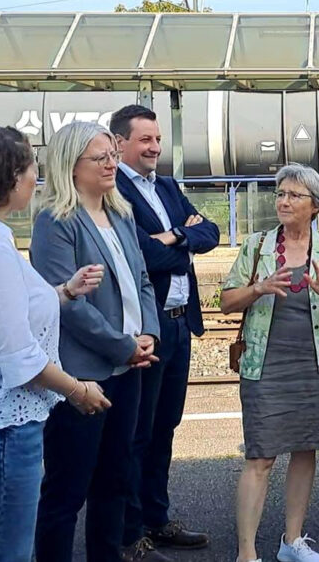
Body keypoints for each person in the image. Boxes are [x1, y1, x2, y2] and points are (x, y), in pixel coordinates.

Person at [0, 126, 111, 562]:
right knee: (2, 554)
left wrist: (63, 292)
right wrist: (78, 391)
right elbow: (19, 356)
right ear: (8, 177)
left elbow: (3, 318)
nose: (36, 178)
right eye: (31, 167)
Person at [31, 121, 161, 562]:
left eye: (112, 154)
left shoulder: (120, 213)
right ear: (72, 165)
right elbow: (64, 302)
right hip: (83, 375)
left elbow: (143, 280)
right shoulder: (56, 221)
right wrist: (122, 345)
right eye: (100, 157)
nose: (111, 164)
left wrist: (147, 333)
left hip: (128, 369)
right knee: (67, 490)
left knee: (115, 480)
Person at [221, 164, 319, 562]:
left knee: (305, 448)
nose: (283, 201)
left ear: (314, 206)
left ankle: (291, 541)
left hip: (317, 366)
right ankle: (246, 552)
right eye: (280, 193)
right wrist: (258, 287)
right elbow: (227, 302)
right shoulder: (257, 246)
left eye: (293, 195)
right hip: (266, 366)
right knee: (260, 455)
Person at [111, 105, 220, 561]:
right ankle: (128, 531)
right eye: (145, 140)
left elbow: (211, 233)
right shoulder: (113, 190)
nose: (155, 147)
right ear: (120, 144)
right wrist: (183, 241)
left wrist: (173, 238)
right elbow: (141, 259)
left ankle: (158, 519)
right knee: (136, 433)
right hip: (147, 331)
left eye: (157, 139)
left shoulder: (169, 187)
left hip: (179, 325)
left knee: (165, 429)